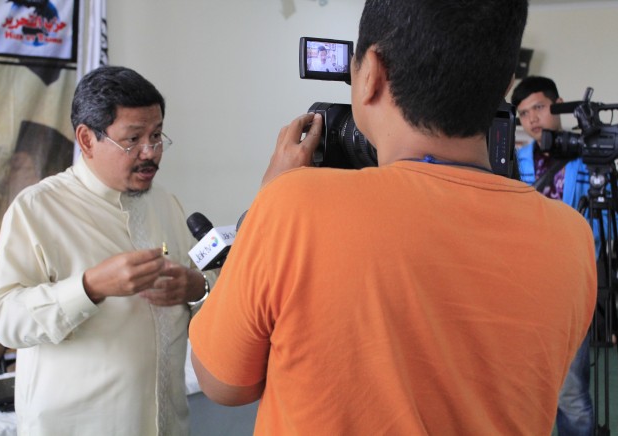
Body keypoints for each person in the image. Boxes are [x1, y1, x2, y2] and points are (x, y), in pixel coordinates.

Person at [189, 1, 597, 434]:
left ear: (371, 74)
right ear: (506, 82)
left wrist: (267, 199)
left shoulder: (292, 206)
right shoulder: (570, 237)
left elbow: (222, 383)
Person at [0, 66, 213, 435]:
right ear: (87, 139)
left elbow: (205, 288)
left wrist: (196, 287)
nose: (150, 152)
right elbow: (4, 321)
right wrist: (89, 287)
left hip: (168, 423)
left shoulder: (165, 204)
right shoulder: (37, 209)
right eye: (133, 139)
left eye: (157, 135)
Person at [511, 76, 594, 436]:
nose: (532, 118)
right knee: (523, 388)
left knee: (571, 392)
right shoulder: (515, 161)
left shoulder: (587, 157)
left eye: (539, 107)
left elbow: (605, 221)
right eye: (524, 113)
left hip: (572, 284)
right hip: (524, 286)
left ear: (558, 105)